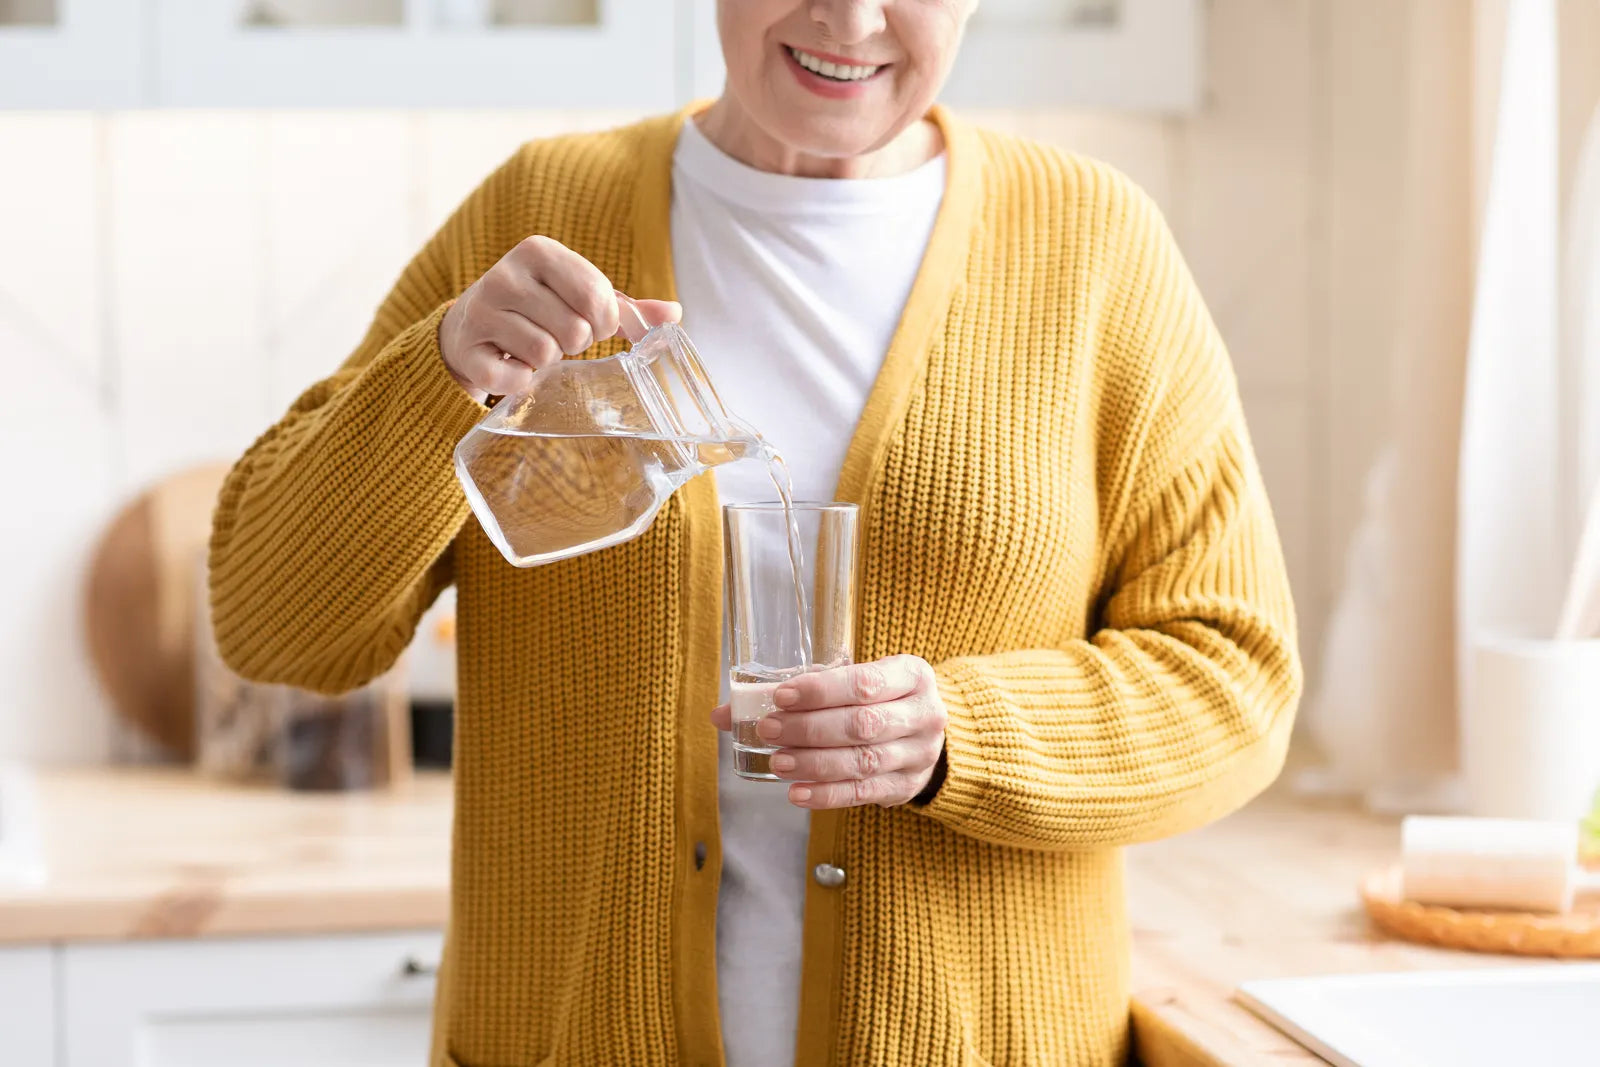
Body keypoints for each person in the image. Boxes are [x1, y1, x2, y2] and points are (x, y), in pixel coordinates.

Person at [207, 1, 1302, 1064]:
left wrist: (956, 732)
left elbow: (1232, 673)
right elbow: (273, 624)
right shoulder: (542, 209)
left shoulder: (1094, 246)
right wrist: (441, 371)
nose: (852, 20)